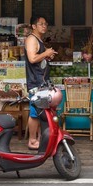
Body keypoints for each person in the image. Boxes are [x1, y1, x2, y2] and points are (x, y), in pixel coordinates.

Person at [24, 15, 57, 150]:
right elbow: (32, 58)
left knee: (39, 112)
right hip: (35, 82)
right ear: (34, 26)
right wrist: (46, 53)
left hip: (41, 82)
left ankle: (39, 139)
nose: (44, 26)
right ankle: (32, 141)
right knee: (35, 112)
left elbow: (39, 60)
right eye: (41, 24)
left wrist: (47, 56)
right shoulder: (31, 39)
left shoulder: (38, 40)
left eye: (46, 24)